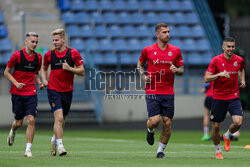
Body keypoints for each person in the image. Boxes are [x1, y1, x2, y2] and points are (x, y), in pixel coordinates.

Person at [137, 23, 184, 158]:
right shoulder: (148, 50)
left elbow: (181, 68)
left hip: (168, 91)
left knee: (167, 123)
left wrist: (177, 70)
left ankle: (160, 151)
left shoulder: (175, 50)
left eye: (168, 32)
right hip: (152, 90)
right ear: (157, 34)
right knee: (155, 121)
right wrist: (143, 76)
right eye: (164, 32)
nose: (167, 34)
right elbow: (139, 65)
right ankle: (150, 130)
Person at [42, 28, 84, 156]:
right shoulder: (49, 55)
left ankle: (54, 140)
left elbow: (82, 71)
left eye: (57, 40)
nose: (54, 42)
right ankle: (61, 146)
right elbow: (44, 68)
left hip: (67, 90)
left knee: (62, 120)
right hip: (53, 89)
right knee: (59, 118)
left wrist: (69, 68)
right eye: (53, 40)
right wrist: (44, 79)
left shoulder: (73, 53)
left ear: (63, 39)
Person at [204, 37, 245, 159]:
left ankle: (227, 136)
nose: (231, 49)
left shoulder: (239, 60)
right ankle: (218, 151)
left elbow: (241, 68)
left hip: (233, 96)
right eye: (228, 46)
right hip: (218, 97)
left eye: (232, 46)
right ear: (223, 47)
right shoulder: (216, 60)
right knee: (216, 126)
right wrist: (219, 74)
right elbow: (207, 78)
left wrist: (242, 79)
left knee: (238, 123)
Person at [4, 32, 43, 157]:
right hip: (17, 93)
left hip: (31, 92)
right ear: (26, 42)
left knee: (31, 120)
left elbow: (35, 73)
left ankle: (28, 150)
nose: (35, 44)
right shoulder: (17, 55)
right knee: (19, 123)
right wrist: (16, 83)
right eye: (32, 41)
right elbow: (6, 72)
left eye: (36, 42)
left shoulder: (38, 58)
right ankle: (13, 131)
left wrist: (40, 83)